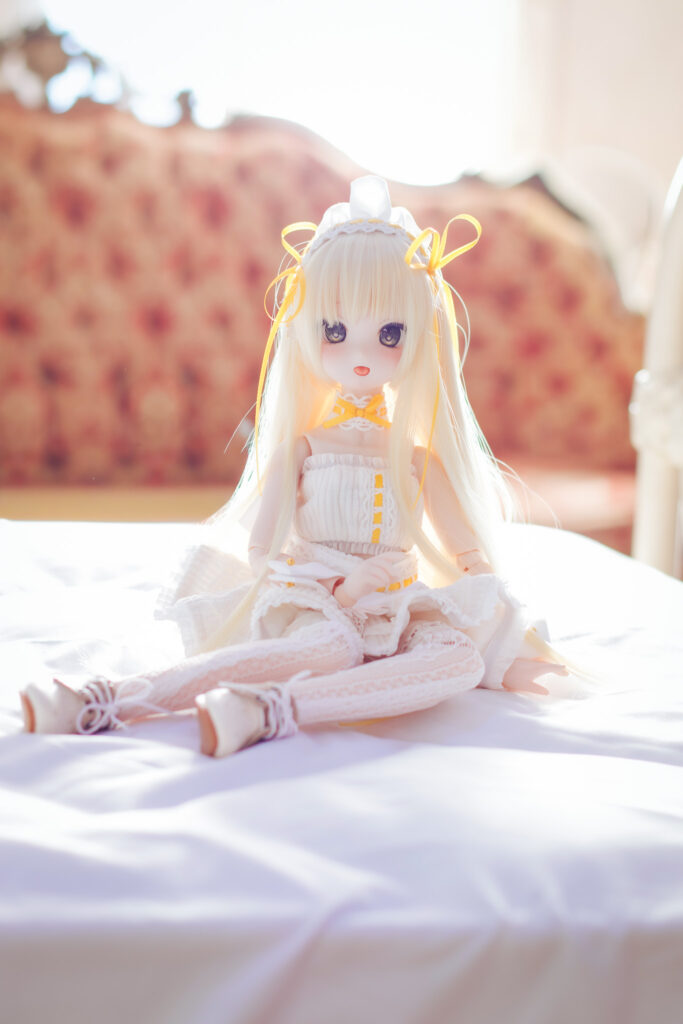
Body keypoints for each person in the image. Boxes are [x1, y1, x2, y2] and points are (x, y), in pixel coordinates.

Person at [20, 176, 568, 756]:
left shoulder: (417, 461)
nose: (361, 354)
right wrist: (341, 588)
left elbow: (470, 558)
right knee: (330, 648)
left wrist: (506, 638)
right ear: (310, 333)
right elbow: (262, 551)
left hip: (398, 605)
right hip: (319, 600)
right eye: (336, 331)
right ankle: (109, 697)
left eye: (389, 334)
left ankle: (268, 710)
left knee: (457, 659)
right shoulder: (303, 450)